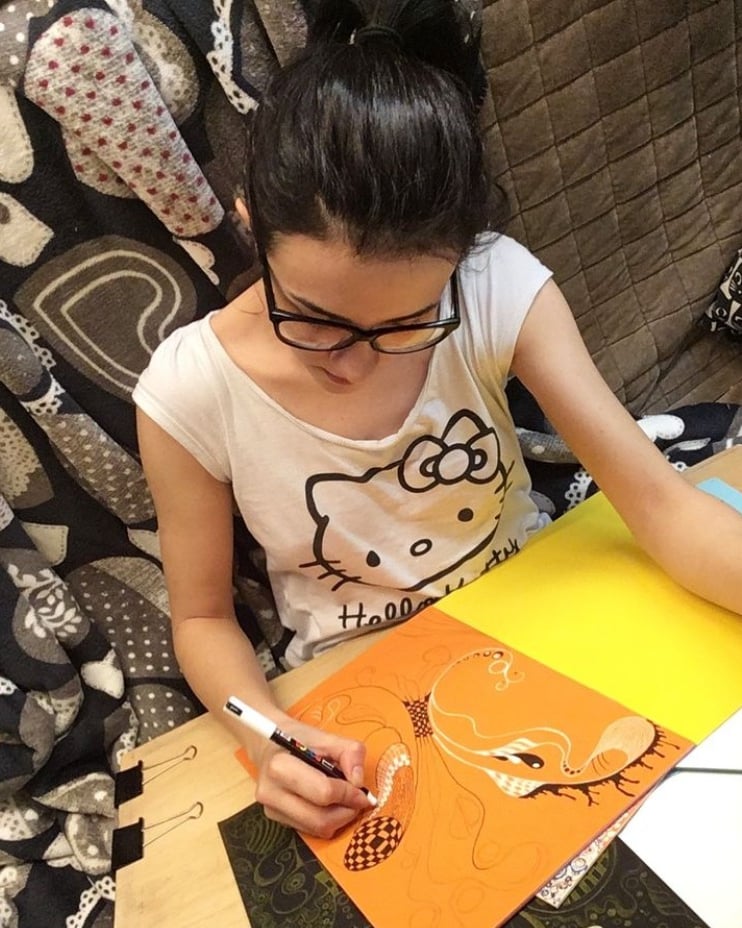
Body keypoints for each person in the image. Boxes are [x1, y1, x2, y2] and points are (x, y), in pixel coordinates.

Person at [133, 0, 742, 840]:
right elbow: (201, 620)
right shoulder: (187, 391)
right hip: (361, 699)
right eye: (313, 318)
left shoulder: (496, 287)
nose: (354, 364)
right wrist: (267, 738)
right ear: (250, 225)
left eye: (406, 323)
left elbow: (663, 506)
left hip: (543, 622)